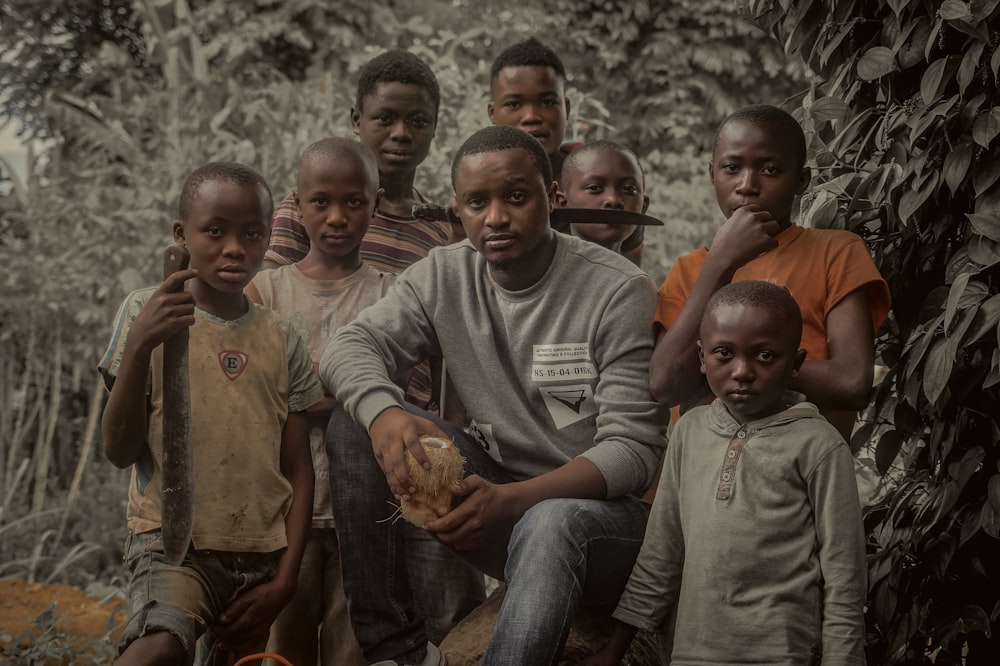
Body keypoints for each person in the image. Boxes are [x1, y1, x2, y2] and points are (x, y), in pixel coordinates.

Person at [319, 125, 667, 665]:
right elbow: (349, 346)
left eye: (517, 197)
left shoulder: (616, 289)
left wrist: (515, 501)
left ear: (551, 198)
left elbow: (634, 452)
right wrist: (384, 411)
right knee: (354, 423)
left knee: (551, 520)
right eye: (478, 203)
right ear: (458, 210)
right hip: (501, 501)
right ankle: (398, 653)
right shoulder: (445, 274)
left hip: (602, 527)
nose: (497, 218)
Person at [263, 50, 486, 641]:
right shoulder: (295, 212)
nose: (400, 134)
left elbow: (450, 351)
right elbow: (266, 313)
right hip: (296, 444)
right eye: (385, 119)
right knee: (289, 610)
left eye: (417, 122)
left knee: (381, 603)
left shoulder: (443, 232)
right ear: (355, 118)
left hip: (400, 443)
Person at [98, 162, 323, 666]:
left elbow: (298, 470)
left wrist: (285, 579)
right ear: (182, 234)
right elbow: (117, 451)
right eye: (215, 231)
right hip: (173, 545)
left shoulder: (282, 337)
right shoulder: (144, 312)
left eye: (252, 233)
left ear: (269, 235)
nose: (235, 249)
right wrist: (139, 347)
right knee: (156, 651)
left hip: (259, 558)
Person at [585, 280, 867, 665]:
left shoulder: (819, 445)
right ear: (702, 358)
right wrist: (614, 649)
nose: (742, 372)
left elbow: (844, 575)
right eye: (724, 353)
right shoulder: (688, 432)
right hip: (691, 652)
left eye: (765, 356)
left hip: (782, 654)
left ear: (796, 364)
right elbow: (662, 551)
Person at [649, 104, 890, 440]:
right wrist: (719, 265)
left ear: (801, 180)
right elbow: (665, 384)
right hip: (701, 476)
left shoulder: (835, 252)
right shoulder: (691, 270)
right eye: (731, 168)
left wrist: (726, 368)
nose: (747, 185)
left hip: (801, 476)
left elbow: (851, 382)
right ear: (712, 174)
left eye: (771, 170)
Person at [246, 139, 392, 665]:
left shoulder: (390, 296)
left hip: (365, 514)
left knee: (352, 651)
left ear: (376, 204)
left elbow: (387, 396)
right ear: (298, 203)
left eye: (354, 202)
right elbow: (252, 403)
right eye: (321, 201)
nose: (337, 217)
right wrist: (338, 398)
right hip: (283, 515)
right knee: (282, 650)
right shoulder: (264, 293)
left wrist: (303, 401)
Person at [487, 37, 645, 267]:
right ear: (493, 113)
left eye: (547, 102)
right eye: (514, 104)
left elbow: (633, 275)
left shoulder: (608, 184)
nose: (531, 116)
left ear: (567, 108)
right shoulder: (479, 186)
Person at [554, 140, 649, 255]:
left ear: (643, 207)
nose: (613, 200)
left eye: (628, 189)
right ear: (563, 203)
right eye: (594, 188)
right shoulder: (544, 269)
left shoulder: (633, 272)